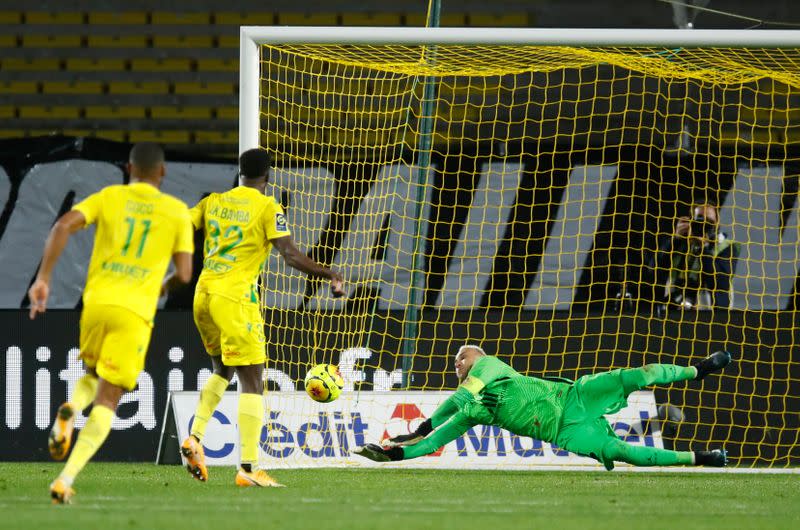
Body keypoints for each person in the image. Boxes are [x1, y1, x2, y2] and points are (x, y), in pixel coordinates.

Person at [29, 143, 194, 504]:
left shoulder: (109, 196)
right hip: (135, 311)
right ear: (162, 172)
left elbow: (62, 226)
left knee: (91, 372)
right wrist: (163, 285)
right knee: (109, 397)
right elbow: (184, 273)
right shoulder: (177, 212)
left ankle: (71, 406)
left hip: (97, 303)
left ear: (128, 168)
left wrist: (43, 279)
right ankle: (64, 478)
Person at [180, 148, 345, 487]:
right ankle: (248, 467)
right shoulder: (268, 206)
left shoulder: (214, 201)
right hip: (235, 298)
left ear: (239, 173)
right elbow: (290, 255)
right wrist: (329, 274)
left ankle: (195, 437)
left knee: (222, 369)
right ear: (267, 177)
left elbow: (181, 225)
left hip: (204, 294)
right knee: (253, 380)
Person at [355, 345, 731, 470]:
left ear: (478, 358)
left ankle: (697, 370)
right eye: (455, 361)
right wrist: (397, 454)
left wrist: (419, 426)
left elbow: (458, 399)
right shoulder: (477, 411)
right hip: (562, 430)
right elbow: (437, 440)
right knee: (623, 453)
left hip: (574, 396)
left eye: (461, 357)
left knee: (638, 374)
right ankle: (702, 458)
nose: (457, 363)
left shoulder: (489, 366)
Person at [650, 204, 739, 315]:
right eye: (699, 219)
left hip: (711, 316)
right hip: (674, 311)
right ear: (690, 221)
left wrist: (702, 248)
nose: (703, 225)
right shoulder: (680, 244)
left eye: (709, 222)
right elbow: (653, 270)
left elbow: (720, 281)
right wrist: (675, 240)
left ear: (717, 225)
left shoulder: (726, 246)